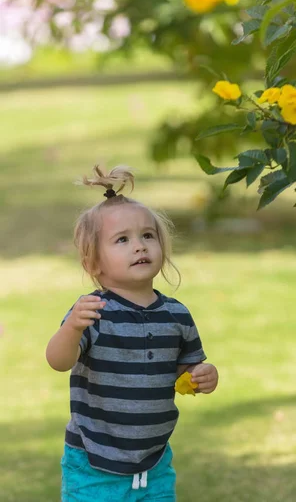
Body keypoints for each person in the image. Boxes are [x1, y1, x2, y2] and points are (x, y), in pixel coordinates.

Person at [46, 165, 219, 502]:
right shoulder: (92, 311)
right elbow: (58, 361)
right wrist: (71, 328)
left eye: (147, 236)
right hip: (93, 464)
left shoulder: (176, 314)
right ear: (94, 263)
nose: (139, 247)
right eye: (122, 240)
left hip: (153, 463)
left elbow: (185, 372)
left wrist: (202, 376)